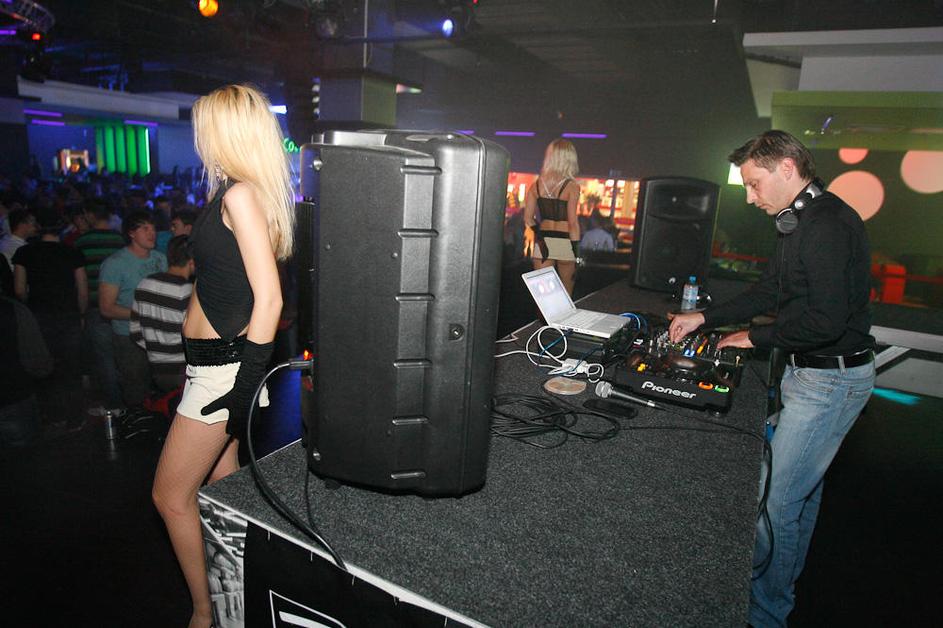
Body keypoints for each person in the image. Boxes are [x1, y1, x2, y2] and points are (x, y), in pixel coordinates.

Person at [667, 130, 874, 628]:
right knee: (798, 496)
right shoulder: (799, 221)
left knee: (775, 502)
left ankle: (765, 613)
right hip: (812, 376)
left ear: (787, 167)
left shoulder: (827, 226)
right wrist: (705, 318)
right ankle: (782, 588)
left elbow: (826, 321)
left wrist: (753, 338)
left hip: (831, 383)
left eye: (754, 184)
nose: (750, 197)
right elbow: (768, 291)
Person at [151, 84, 292, 628]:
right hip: (214, 366)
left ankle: (204, 612)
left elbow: (270, 299)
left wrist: (244, 385)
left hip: (225, 371)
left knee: (170, 497)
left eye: (205, 126)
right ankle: (239, 594)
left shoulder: (240, 196)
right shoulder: (235, 193)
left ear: (225, 131)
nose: (199, 137)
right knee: (224, 490)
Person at [12, 210, 88, 431]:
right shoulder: (72, 252)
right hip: (68, 315)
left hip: (39, 316)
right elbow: (82, 289)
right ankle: (75, 417)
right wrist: (82, 313)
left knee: (45, 366)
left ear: (38, 226)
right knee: (71, 367)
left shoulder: (24, 252)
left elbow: (19, 290)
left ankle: (54, 416)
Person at [99, 211, 168, 408]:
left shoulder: (160, 258)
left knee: (162, 388)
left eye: (153, 228)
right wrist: (143, 314)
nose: (151, 233)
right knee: (135, 389)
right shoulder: (115, 264)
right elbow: (107, 308)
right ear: (131, 233)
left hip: (159, 334)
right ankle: (135, 423)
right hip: (129, 337)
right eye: (144, 228)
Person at [130, 235, 194, 393]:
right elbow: (194, 337)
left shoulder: (144, 284)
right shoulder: (187, 291)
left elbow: (135, 331)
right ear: (192, 261)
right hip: (182, 371)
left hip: (156, 368)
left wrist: (157, 351)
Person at [523, 139, 581, 294]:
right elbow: (573, 223)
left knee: (543, 296)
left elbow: (528, 218)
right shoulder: (572, 187)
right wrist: (576, 252)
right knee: (566, 293)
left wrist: (539, 235)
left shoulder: (535, 186)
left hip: (543, 241)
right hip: (564, 241)